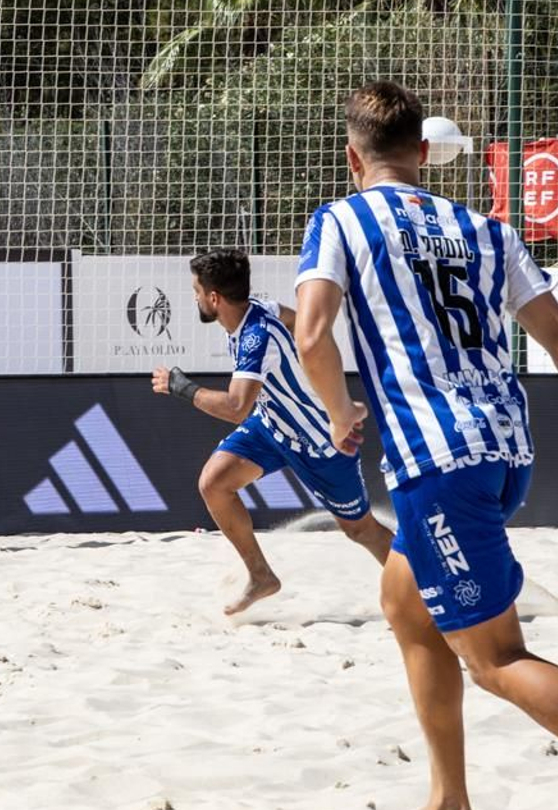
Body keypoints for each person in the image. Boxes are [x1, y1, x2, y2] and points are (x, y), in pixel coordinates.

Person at [293, 81, 558, 810]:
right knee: (405, 603)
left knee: (495, 660)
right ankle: (449, 801)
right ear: (424, 153)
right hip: (505, 449)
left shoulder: (340, 220)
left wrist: (338, 412)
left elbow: (313, 336)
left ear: (350, 157)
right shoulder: (489, 232)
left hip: (437, 460)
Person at [152, 248, 393, 616]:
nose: (195, 297)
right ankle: (261, 575)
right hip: (272, 425)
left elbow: (236, 408)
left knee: (362, 530)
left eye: (196, 291)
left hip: (319, 441)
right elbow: (301, 323)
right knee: (214, 483)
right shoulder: (260, 308)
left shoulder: (254, 338)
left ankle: (423, 590)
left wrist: (181, 387)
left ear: (214, 298)